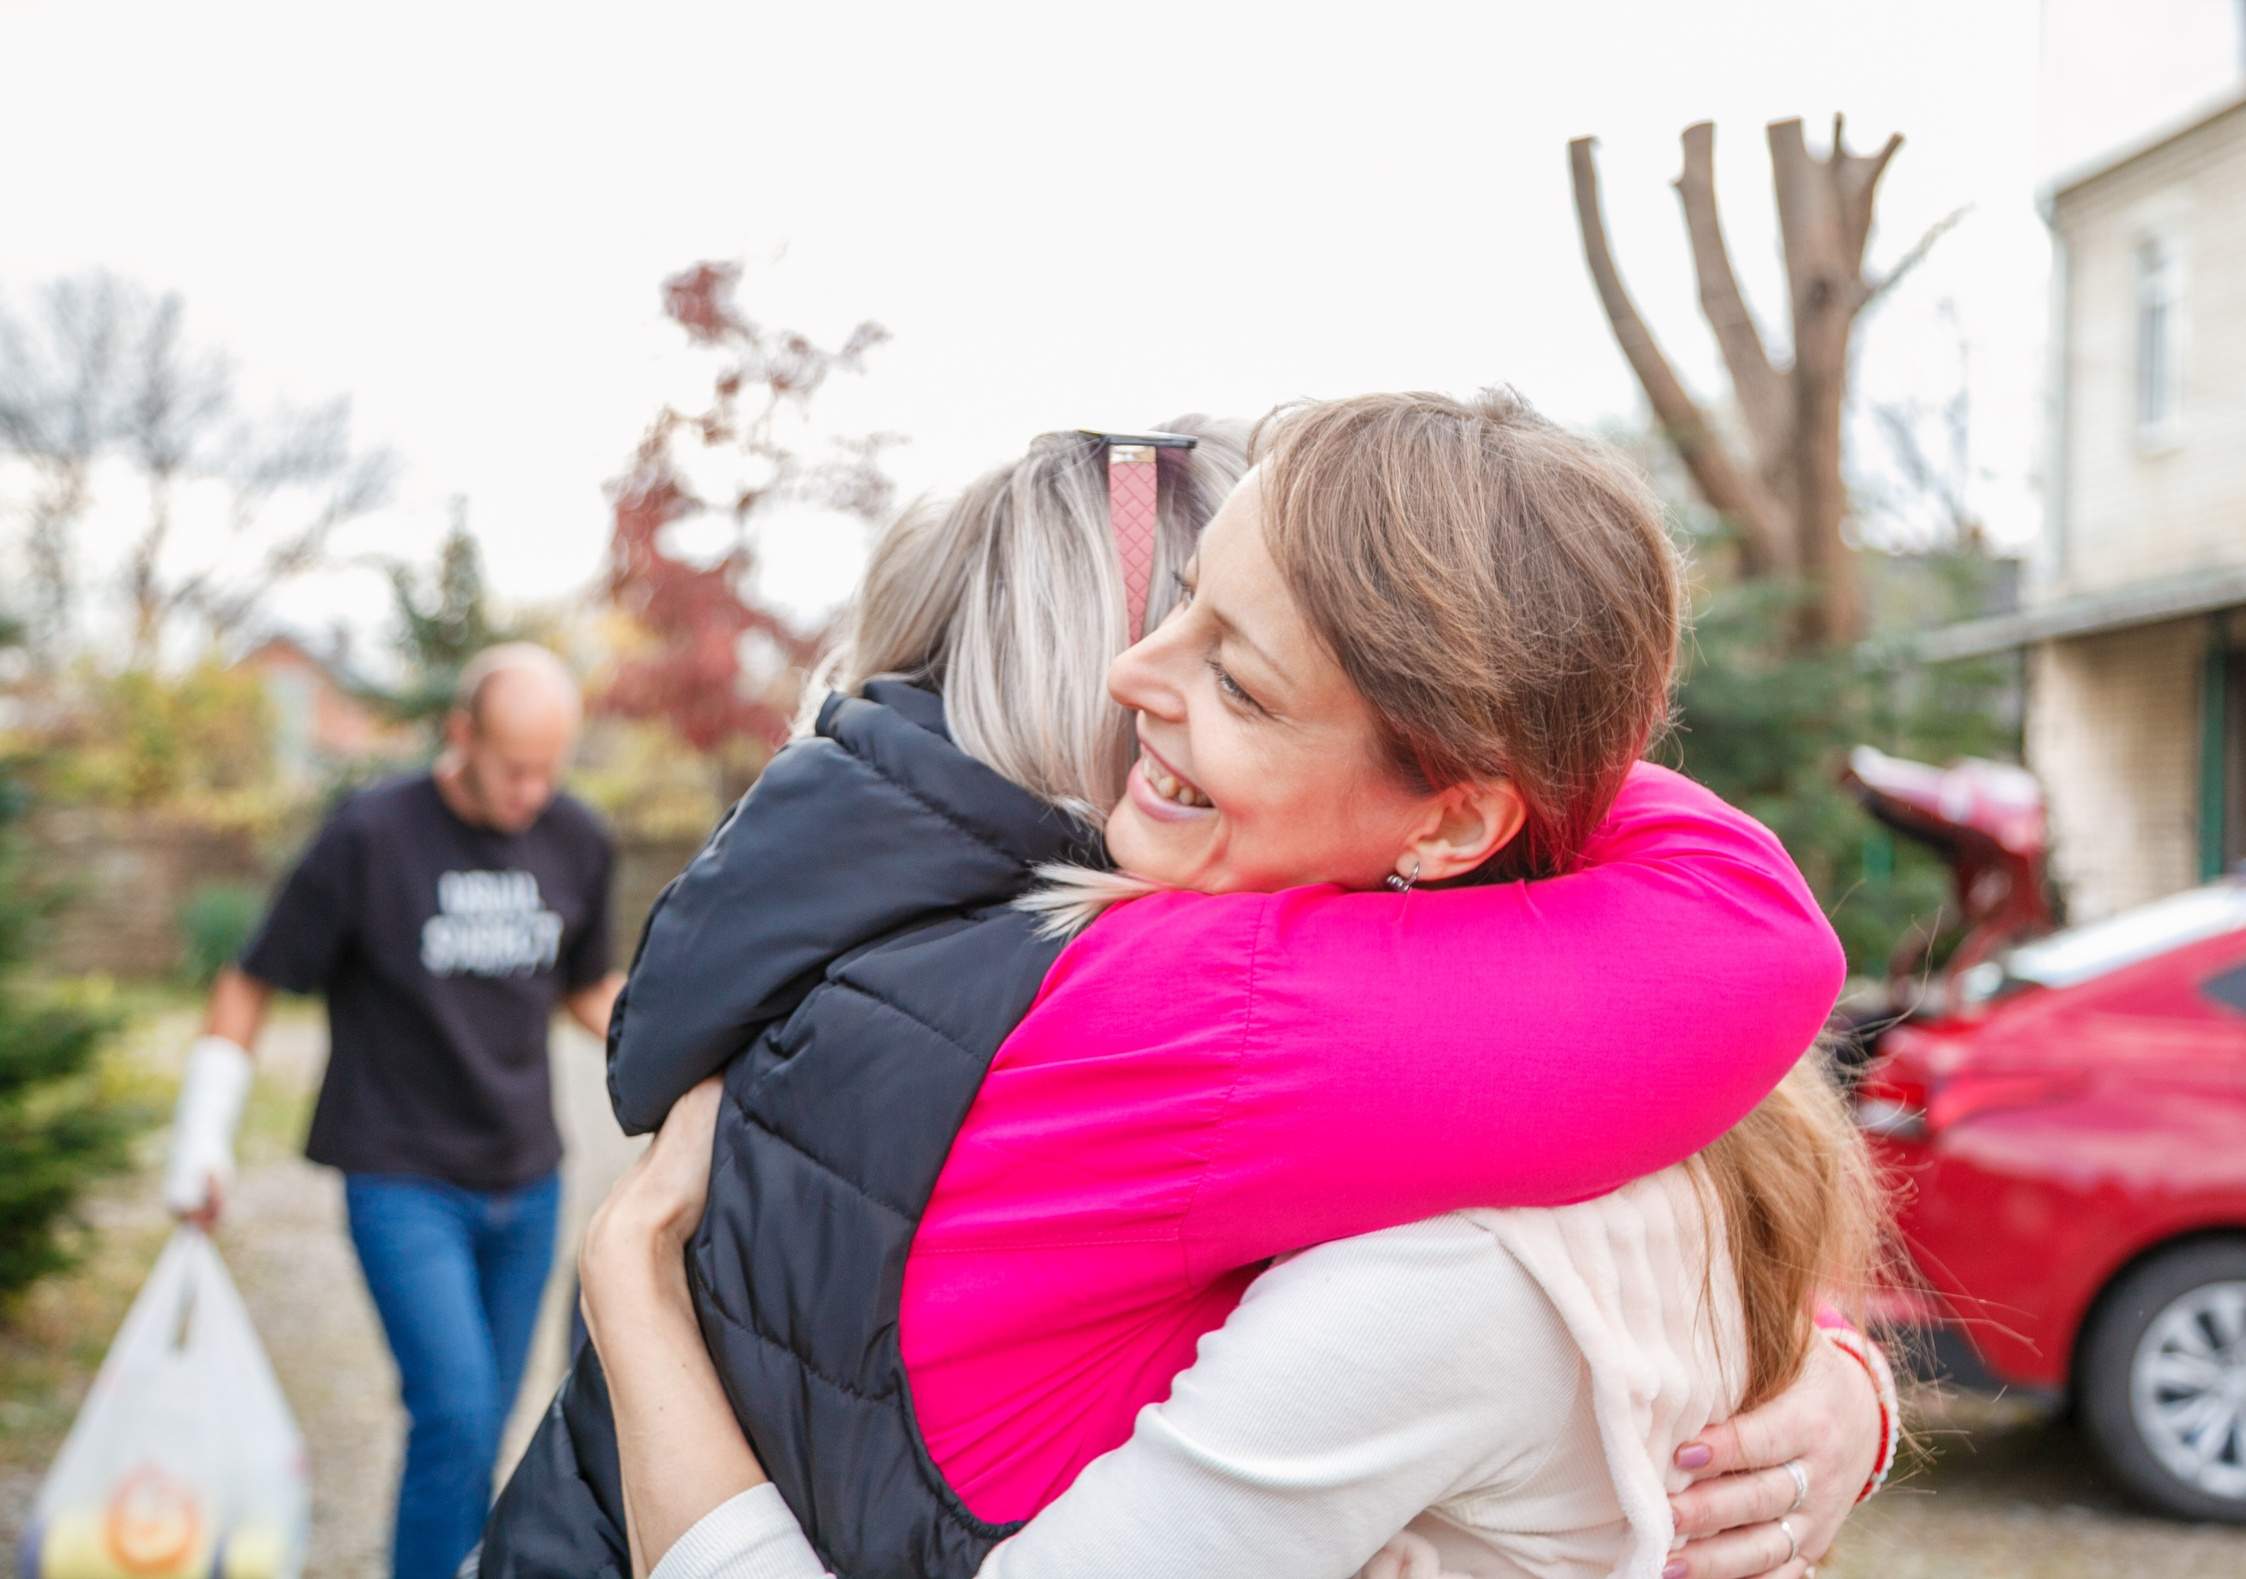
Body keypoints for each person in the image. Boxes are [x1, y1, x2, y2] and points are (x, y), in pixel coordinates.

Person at [487, 400, 1887, 1579]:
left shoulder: (1009, 984)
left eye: (1244, 677)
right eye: (1186, 604)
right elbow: (1746, 932)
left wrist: (1842, 1383)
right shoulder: (1150, 1009)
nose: (1135, 673)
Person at [164, 642, 623, 1579]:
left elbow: (587, 987)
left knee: (487, 1430)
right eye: (514, 767)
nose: (532, 792)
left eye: (549, 769)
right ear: (460, 734)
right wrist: (202, 1130)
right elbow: (252, 978)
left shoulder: (576, 836)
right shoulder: (370, 836)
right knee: (455, 1415)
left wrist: (704, 1057)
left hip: (529, 1179)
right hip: (403, 1177)